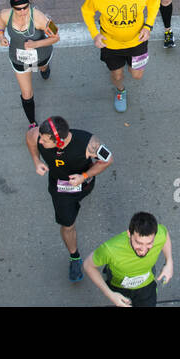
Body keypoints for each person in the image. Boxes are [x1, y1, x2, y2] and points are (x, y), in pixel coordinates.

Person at [26, 116, 113, 281]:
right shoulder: (38, 135)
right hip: (60, 191)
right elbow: (29, 138)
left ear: (59, 142)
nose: (41, 143)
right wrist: (36, 161)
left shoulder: (88, 143)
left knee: (83, 196)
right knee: (67, 225)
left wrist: (84, 176)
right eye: (41, 140)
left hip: (83, 185)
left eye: (45, 141)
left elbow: (107, 159)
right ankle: (74, 257)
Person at [82, 0, 160, 111]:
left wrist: (148, 25)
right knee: (117, 75)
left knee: (136, 75)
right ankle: (120, 91)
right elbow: (87, 11)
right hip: (110, 44)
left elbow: (155, 1)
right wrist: (95, 34)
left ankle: (128, 66)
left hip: (137, 41)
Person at [0, 0, 60, 126]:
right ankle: (32, 122)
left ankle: (44, 69)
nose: (22, 12)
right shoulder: (5, 14)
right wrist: (1, 36)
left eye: (25, 7)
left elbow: (56, 37)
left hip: (41, 55)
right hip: (19, 58)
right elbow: (1, 24)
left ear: (29, 4)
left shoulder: (39, 17)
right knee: (26, 94)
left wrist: (36, 44)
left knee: (42, 67)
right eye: (17, 9)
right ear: (12, 7)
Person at [87, 211, 174, 306]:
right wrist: (111, 295)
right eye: (139, 243)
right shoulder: (110, 249)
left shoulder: (159, 234)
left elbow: (165, 235)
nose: (143, 250)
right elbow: (88, 265)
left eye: (149, 243)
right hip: (119, 285)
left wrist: (169, 262)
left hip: (146, 285)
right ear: (129, 234)